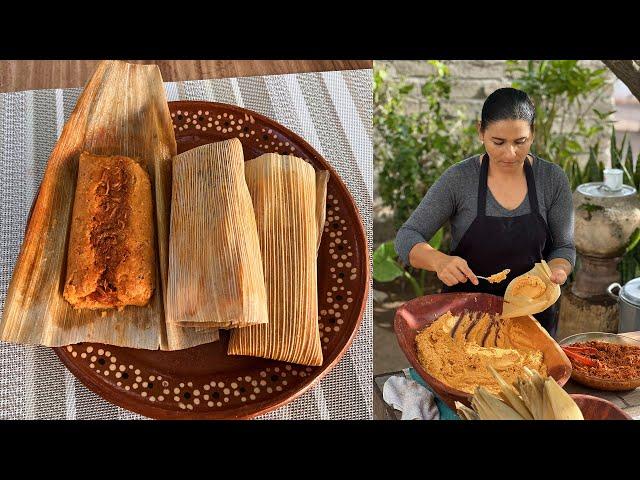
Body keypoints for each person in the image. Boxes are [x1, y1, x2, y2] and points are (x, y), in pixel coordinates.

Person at [394, 87, 575, 337]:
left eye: (520, 142)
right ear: (481, 131)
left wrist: (557, 271)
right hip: (465, 320)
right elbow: (407, 236)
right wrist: (439, 261)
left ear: (533, 134)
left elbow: (565, 247)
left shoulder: (552, 179)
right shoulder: (459, 179)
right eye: (498, 142)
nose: (510, 153)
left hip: (532, 321)